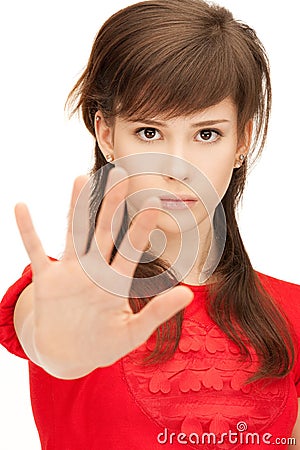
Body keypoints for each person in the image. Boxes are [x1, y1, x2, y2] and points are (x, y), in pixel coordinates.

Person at [0, 0, 300, 448]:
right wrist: (56, 341)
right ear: (106, 135)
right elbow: (47, 335)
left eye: (206, 134)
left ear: (243, 139)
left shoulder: (291, 312)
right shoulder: (67, 290)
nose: (177, 166)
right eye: (149, 132)